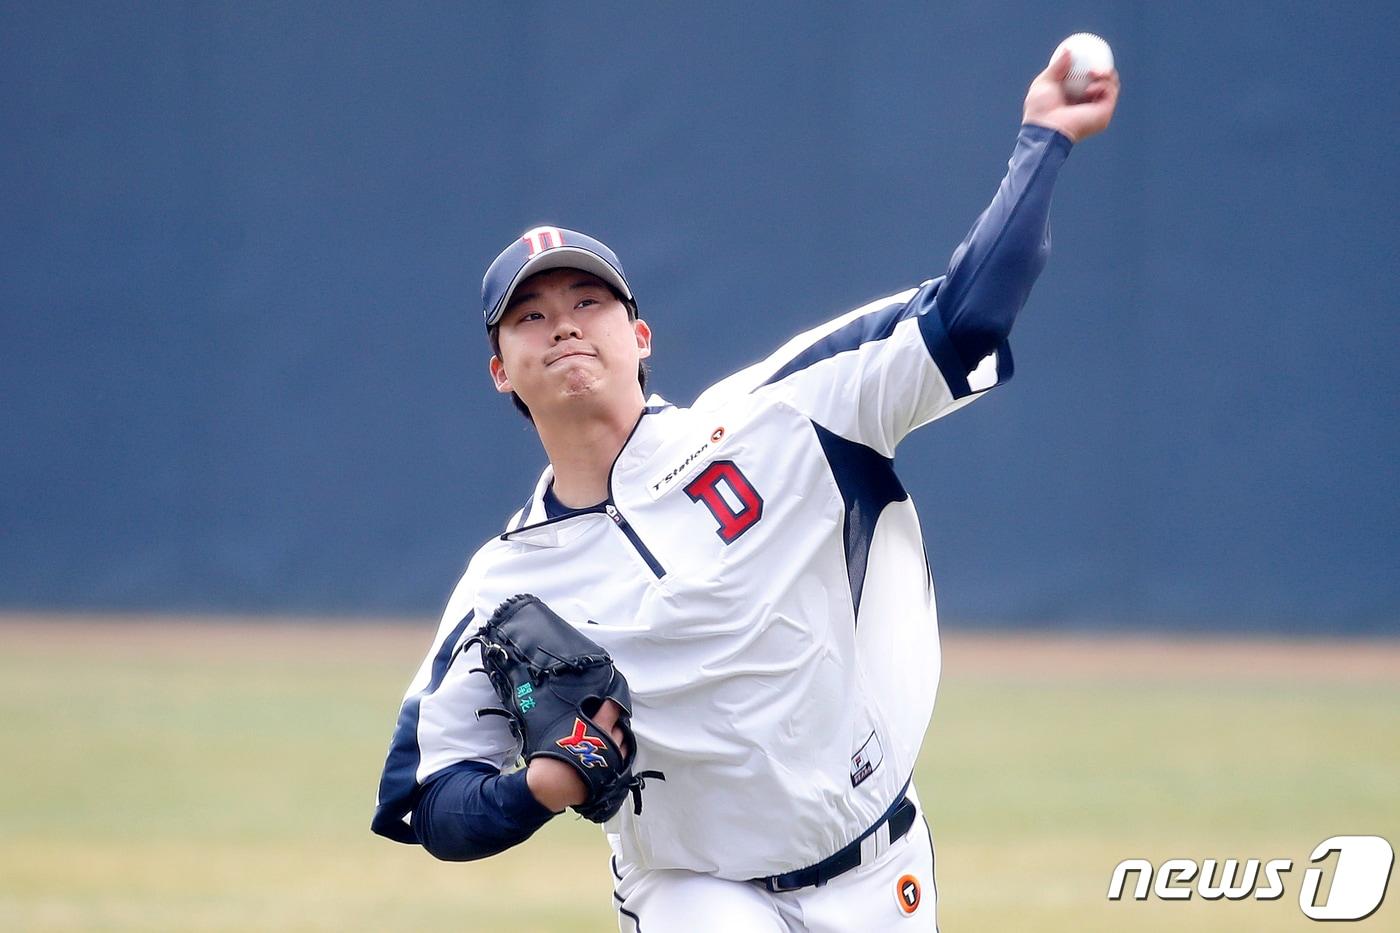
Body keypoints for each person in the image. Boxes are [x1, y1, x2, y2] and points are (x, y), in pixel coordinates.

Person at [372, 50, 1118, 931]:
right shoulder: (503, 583)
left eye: (588, 299)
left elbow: (968, 313)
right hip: (693, 889)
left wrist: (1046, 139)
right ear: (502, 370)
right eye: (530, 314)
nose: (563, 320)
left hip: (880, 863)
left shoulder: (784, 415)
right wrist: (534, 786)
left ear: (640, 334)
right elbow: (430, 797)